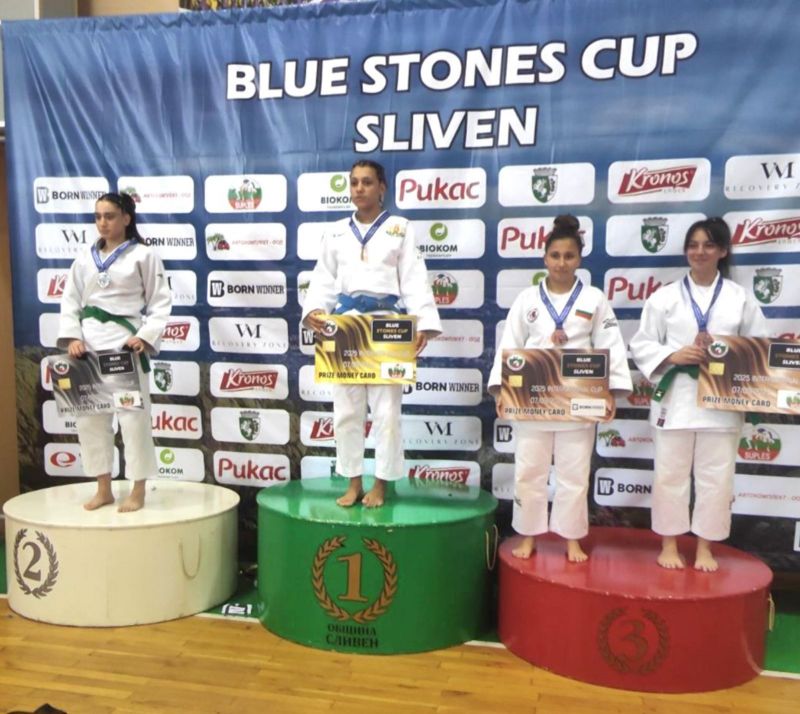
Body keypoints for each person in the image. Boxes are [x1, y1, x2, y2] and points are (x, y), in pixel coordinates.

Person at [488, 215, 631, 562]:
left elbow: (610, 344)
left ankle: (571, 538)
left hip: (578, 399)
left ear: (579, 259)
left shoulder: (594, 298)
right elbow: (510, 345)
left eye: (569, 256)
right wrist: (502, 390)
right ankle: (528, 535)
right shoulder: (527, 299)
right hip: (532, 399)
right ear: (545, 258)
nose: (562, 263)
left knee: (574, 474)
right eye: (555, 255)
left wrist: (610, 391)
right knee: (529, 472)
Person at [630, 217, 767, 572]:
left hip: (721, 403)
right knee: (669, 475)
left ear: (723, 251)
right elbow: (642, 342)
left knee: (716, 478)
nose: (699, 251)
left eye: (708, 245)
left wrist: (728, 357)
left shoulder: (739, 299)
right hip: (675, 400)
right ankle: (669, 543)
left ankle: (706, 546)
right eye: (693, 245)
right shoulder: (665, 297)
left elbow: (759, 349)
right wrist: (672, 355)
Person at [302, 160, 442, 508]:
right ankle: (353, 482)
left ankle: (380, 484)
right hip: (346, 325)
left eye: (367, 182)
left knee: (387, 413)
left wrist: (423, 324)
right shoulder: (336, 231)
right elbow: (323, 277)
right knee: (346, 411)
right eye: (354, 182)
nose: (359, 188)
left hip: (387, 325)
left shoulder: (400, 228)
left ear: (382, 187)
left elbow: (414, 277)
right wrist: (315, 310)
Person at [57, 192, 172, 512]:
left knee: (133, 421)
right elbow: (70, 301)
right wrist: (72, 337)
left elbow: (160, 302)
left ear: (126, 218)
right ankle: (103, 488)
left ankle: (138, 489)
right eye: (97, 216)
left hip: (123, 346)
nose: (102, 223)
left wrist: (144, 336)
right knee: (91, 420)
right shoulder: (84, 257)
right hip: (88, 348)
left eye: (109, 216)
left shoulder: (143, 255)